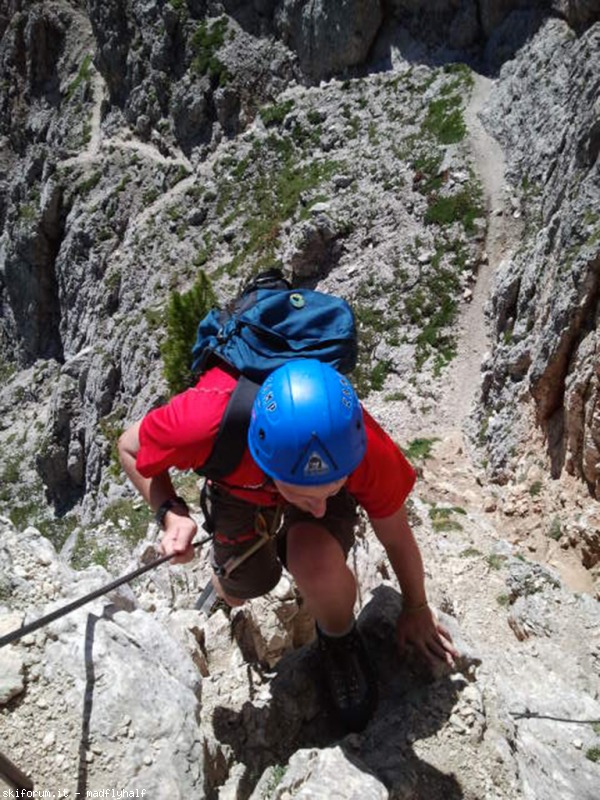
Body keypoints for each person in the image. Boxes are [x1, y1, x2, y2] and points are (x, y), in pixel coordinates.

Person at [118, 358, 457, 732]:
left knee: (313, 559)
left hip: (267, 474)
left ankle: (339, 642)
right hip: (240, 479)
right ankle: (223, 580)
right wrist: (170, 512)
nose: (321, 507)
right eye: (306, 496)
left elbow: (395, 535)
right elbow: (129, 448)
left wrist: (416, 605)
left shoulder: (359, 446)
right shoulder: (205, 424)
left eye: (334, 489)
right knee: (239, 590)